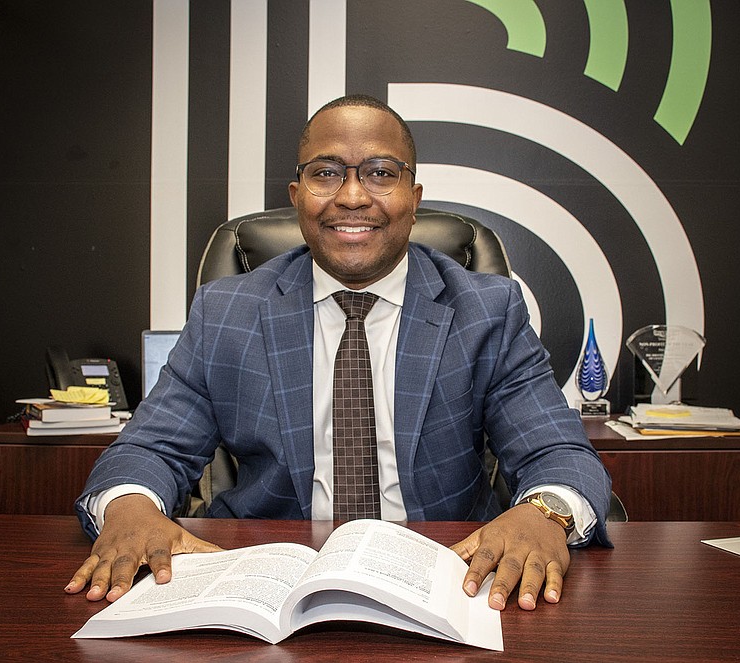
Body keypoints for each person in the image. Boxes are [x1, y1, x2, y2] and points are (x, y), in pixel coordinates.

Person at [66, 94, 612, 612]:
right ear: (296, 194)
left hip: (449, 575)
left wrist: (546, 512)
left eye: (381, 173)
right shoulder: (225, 311)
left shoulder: (487, 310)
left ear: (414, 198)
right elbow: (150, 450)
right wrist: (130, 505)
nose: (352, 196)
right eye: (326, 173)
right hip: (264, 577)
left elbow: (557, 454)